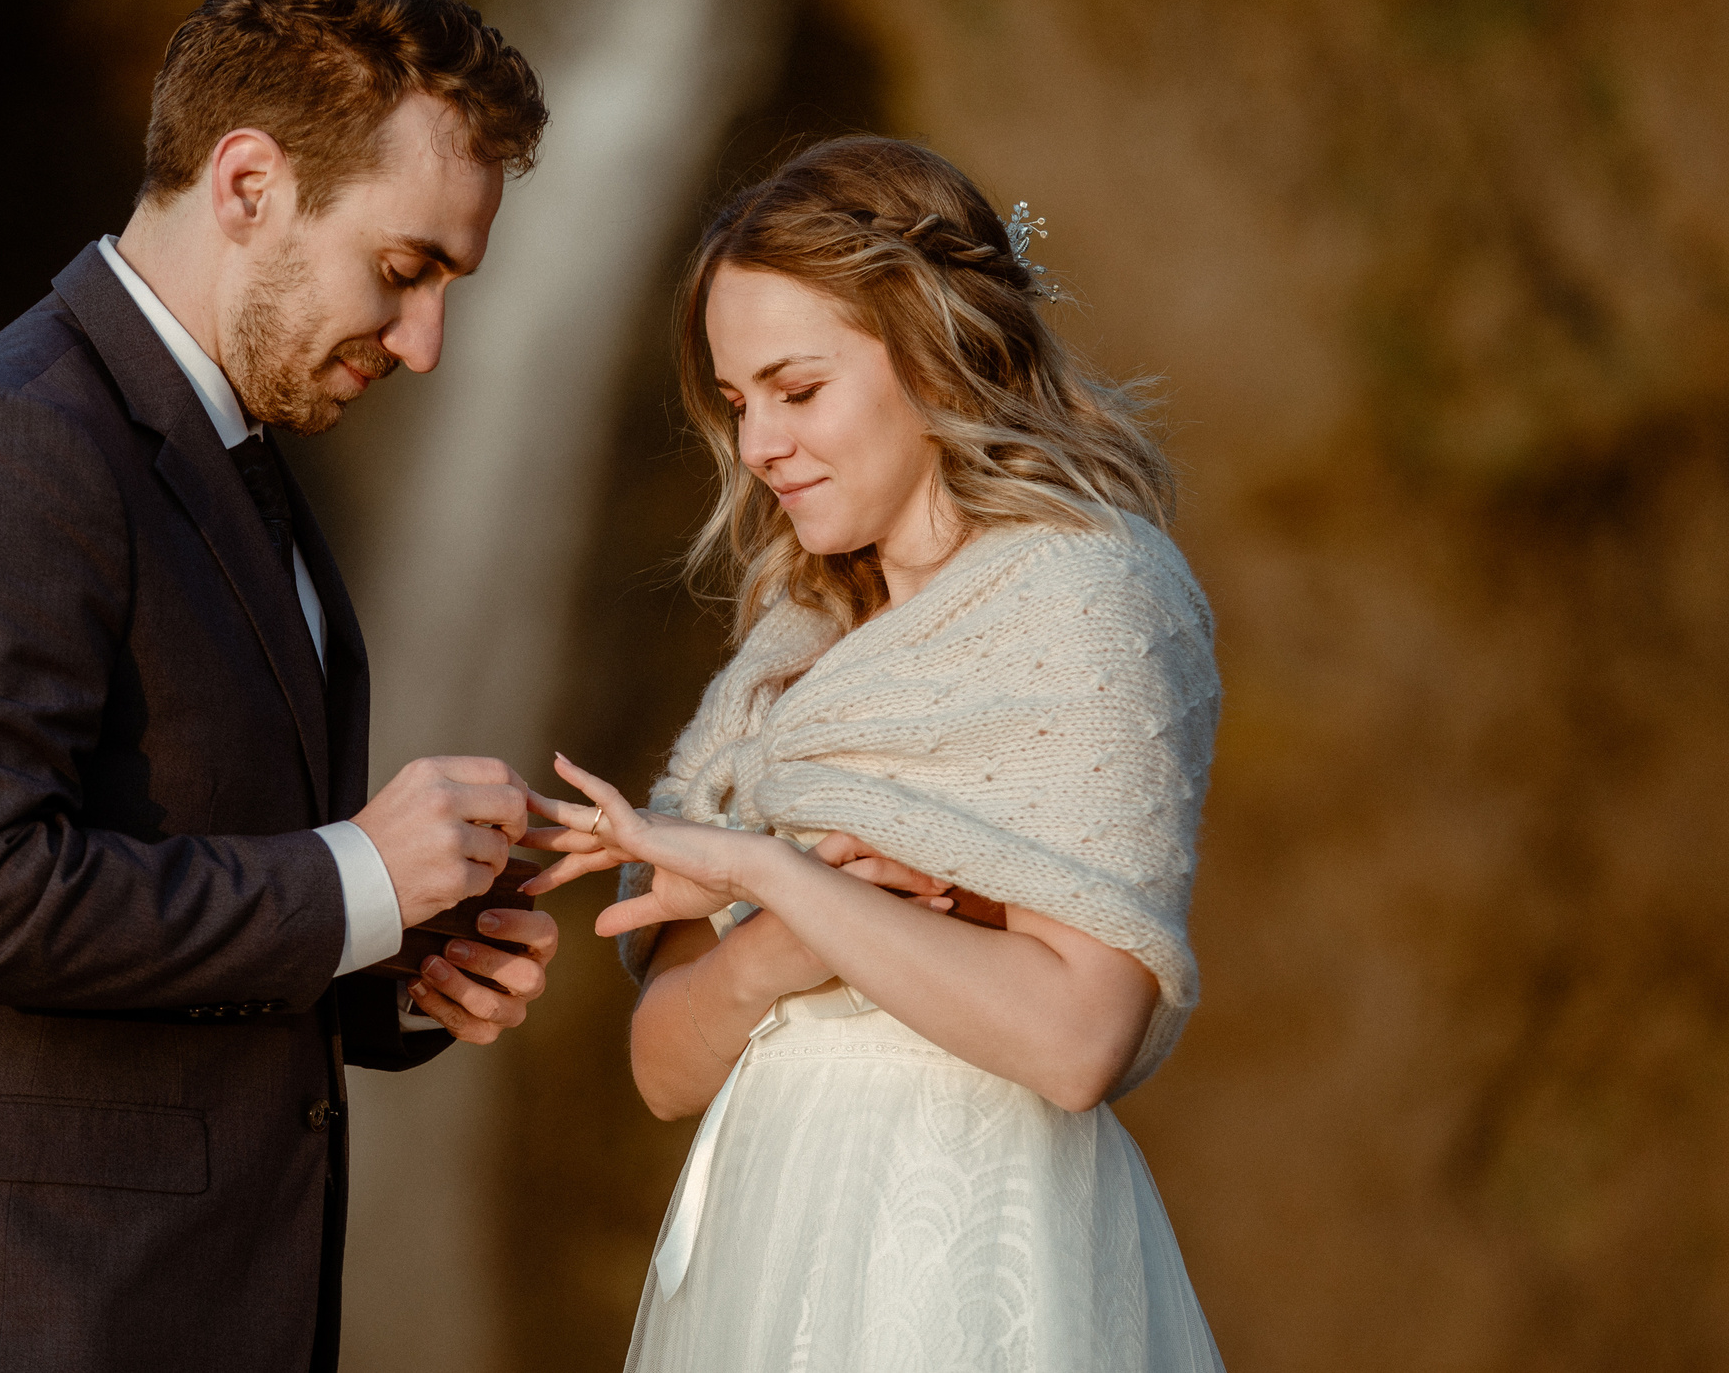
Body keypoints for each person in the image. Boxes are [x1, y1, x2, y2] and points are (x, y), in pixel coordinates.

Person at [0, 0, 563, 1373]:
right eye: (406, 270)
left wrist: (390, 951)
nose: (427, 340)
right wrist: (354, 878)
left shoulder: (234, 450)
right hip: (19, 1315)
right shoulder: (11, 439)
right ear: (249, 181)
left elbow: (191, 863)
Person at [526, 136, 1227, 1371]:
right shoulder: (790, 650)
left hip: (972, 1231)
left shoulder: (1090, 602)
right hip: (764, 1227)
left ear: (932, 352)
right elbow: (663, 1070)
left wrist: (781, 879)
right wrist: (780, 948)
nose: (758, 447)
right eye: (739, 403)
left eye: (797, 390)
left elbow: (1077, 1043)